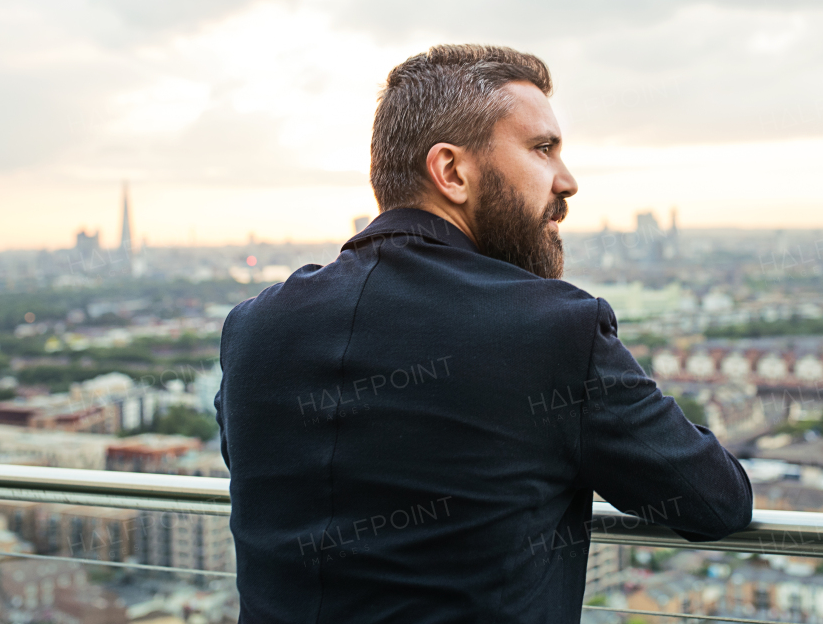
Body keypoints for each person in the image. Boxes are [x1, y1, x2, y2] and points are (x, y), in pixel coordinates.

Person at [215, 44, 753, 623]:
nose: (567, 182)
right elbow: (715, 501)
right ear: (451, 172)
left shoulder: (256, 328)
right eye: (542, 149)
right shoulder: (552, 329)